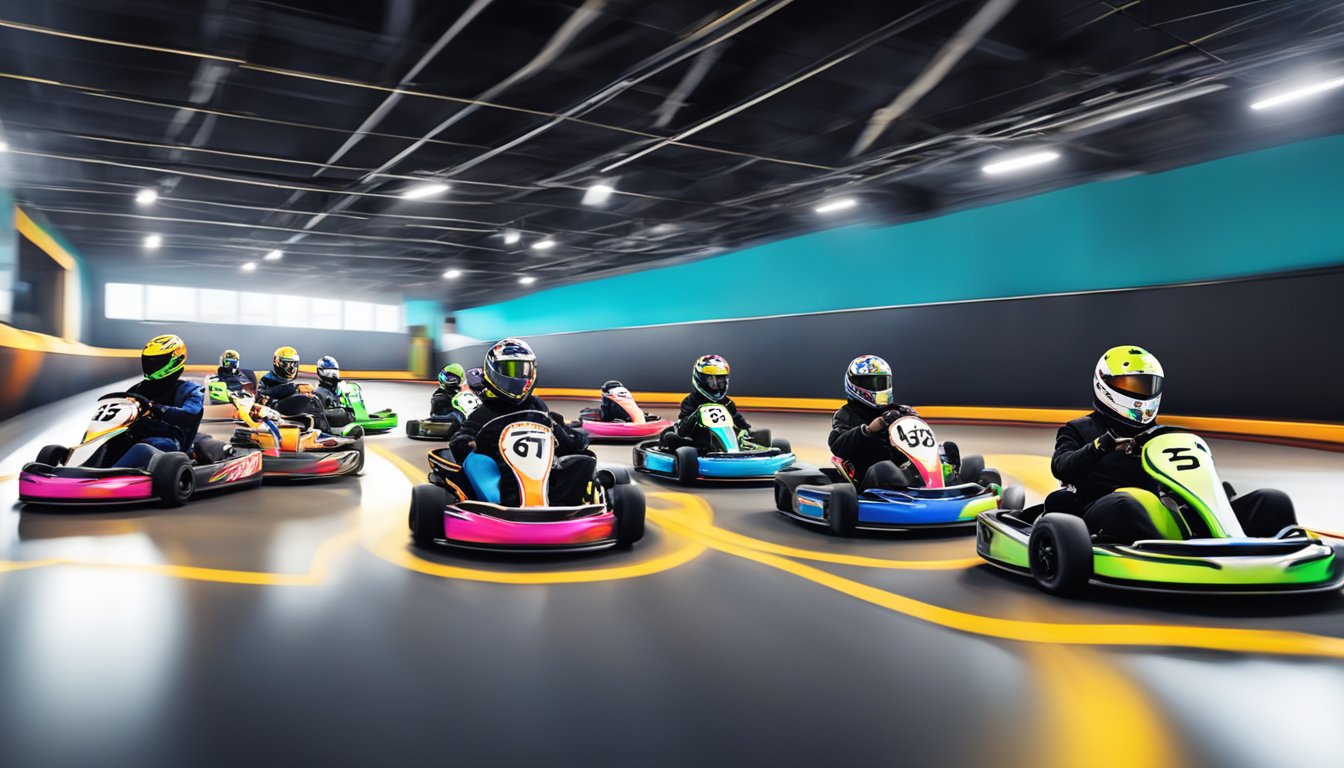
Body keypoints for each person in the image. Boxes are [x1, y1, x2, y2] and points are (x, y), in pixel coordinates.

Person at [1050, 345, 1296, 542]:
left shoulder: (1162, 433)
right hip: (1101, 510)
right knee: (1129, 501)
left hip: (1163, 511)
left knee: (1272, 500)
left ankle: (1275, 545)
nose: (1141, 392)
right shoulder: (1080, 429)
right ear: (1105, 384)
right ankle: (1171, 553)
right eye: (1131, 385)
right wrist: (1101, 445)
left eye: (1148, 385)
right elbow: (1061, 466)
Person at [447, 338, 593, 506]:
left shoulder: (536, 405)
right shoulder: (483, 412)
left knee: (585, 460)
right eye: (510, 369)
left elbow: (562, 435)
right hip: (499, 477)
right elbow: (460, 441)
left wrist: (572, 438)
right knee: (474, 461)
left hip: (541, 469)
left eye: (523, 370)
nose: (517, 377)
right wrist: (468, 443)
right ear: (493, 371)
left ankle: (556, 501)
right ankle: (504, 504)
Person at [826, 355, 952, 489]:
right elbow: (838, 447)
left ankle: (945, 485)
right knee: (885, 468)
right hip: (871, 476)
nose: (878, 388)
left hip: (906, 470)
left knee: (949, 448)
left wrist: (912, 418)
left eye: (882, 382)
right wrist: (868, 430)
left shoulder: (896, 410)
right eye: (872, 383)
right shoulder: (846, 414)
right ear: (855, 384)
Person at [104, 334, 206, 468]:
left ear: (176, 360)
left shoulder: (191, 390)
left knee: (142, 449)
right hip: (137, 437)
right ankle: (86, 473)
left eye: (157, 361)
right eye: (148, 361)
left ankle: (108, 479)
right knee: (111, 443)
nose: (151, 365)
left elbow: (190, 416)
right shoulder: (138, 389)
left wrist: (154, 408)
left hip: (170, 443)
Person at [660, 354, 752, 452]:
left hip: (726, 442)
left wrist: (745, 431)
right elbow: (682, 430)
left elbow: (739, 421)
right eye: (710, 379)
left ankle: (730, 449)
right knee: (668, 437)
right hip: (698, 443)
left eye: (719, 379)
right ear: (700, 379)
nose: (715, 383)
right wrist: (696, 415)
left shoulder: (727, 403)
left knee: (760, 436)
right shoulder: (691, 401)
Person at [257, 346, 338, 434]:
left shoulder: (286, 381)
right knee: (312, 400)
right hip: (274, 410)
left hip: (285, 410)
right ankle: (326, 433)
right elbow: (261, 394)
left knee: (313, 398)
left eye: (293, 364)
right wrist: (295, 388)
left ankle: (318, 430)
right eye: (287, 364)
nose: (291, 368)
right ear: (278, 363)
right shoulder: (267, 379)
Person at [312, 355, 354, 429]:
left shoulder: (337, 390)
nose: (333, 375)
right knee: (343, 413)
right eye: (329, 372)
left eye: (335, 372)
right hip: (328, 426)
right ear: (320, 372)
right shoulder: (318, 393)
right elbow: (319, 414)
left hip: (345, 418)